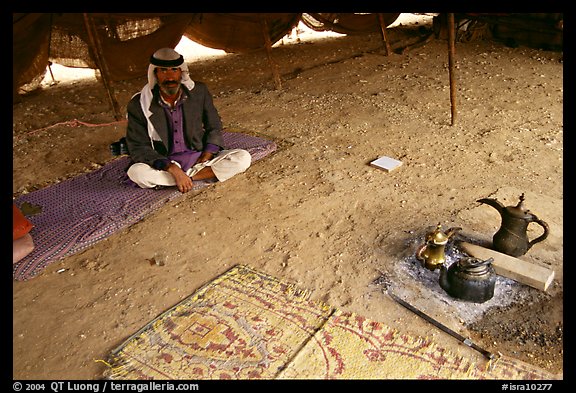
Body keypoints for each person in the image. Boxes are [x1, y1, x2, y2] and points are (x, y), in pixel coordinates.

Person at [125, 47, 251, 193]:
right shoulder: (139, 104)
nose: (170, 76)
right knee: (137, 173)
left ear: (181, 72)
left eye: (174, 70)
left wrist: (208, 153)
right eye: (163, 71)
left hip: (198, 158)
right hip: (163, 162)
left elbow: (214, 125)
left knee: (243, 158)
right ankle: (185, 177)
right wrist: (171, 168)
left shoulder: (199, 92)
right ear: (155, 74)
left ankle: (184, 179)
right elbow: (138, 146)